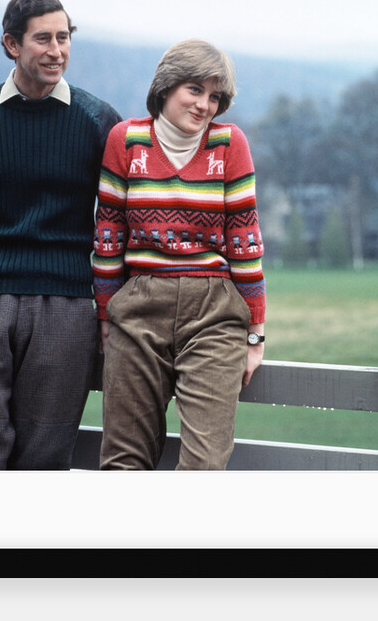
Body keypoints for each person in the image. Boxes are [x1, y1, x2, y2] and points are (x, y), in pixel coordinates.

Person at [0, 0, 121, 470]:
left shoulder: (99, 122)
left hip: (67, 307)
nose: (56, 50)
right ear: (12, 45)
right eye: (43, 39)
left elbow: (117, 221)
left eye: (64, 37)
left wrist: (106, 307)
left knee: (42, 459)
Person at [92, 39, 266, 470]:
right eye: (195, 89)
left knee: (204, 465)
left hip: (214, 312)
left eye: (215, 97)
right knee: (123, 462)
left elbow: (245, 240)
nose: (205, 105)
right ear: (167, 86)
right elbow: (108, 235)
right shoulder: (126, 140)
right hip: (137, 310)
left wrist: (256, 331)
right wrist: (105, 315)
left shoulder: (229, 144)